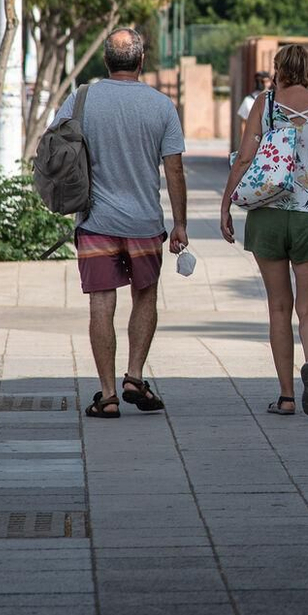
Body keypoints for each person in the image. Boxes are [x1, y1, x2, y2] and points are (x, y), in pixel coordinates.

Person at [52, 28, 188, 419]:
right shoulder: (161, 106)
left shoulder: (81, 99)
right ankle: (135, 376)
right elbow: (174, 170)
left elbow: (55, 147)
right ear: (141, 61)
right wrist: (180, 224)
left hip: (95, 220)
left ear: (106, 61)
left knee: (101, 302)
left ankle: (108, 395)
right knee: (145, 296)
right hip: (144, 222)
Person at [220, 44, 308, 416]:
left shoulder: (264, 105)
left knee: (279, 308)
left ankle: (285, 397)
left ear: (277, 70)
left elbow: (245, 158)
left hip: (269, 215)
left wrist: (225, 206)